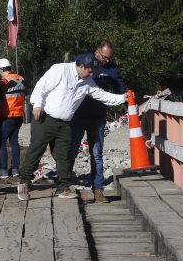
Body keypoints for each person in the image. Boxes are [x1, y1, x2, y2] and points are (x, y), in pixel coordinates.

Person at [16, 54, 126, 201]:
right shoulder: (60, 70)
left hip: (65, 123)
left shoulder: (88, 81)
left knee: (63, 156)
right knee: (36, 150)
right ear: (80, 66)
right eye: (90, 71)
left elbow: (102, 95)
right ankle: (24, 183)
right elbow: (41, 86)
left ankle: (63, 187)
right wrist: (37, 104)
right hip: (45, 118)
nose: (92, 74)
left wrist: (123, 98)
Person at [70, 40, 125, 203]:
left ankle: (98, 190)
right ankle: (64, 184)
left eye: (109, 58)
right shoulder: (83, 60)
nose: (106, 60)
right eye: (104, 57)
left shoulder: (112, 69)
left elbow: (120, 89)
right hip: (78, 115)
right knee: (72, 150)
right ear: (97, 52)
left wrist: (129, 101)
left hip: (98, 117)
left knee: (97, 155)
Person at [0, 58, 27, 179]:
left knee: (1, 142)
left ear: (1, 69)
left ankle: (3, 170)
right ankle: (15, 169)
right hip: (19, 115)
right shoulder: (21, 79)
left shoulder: (3, 82)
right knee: (14, 142)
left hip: (7, 116)